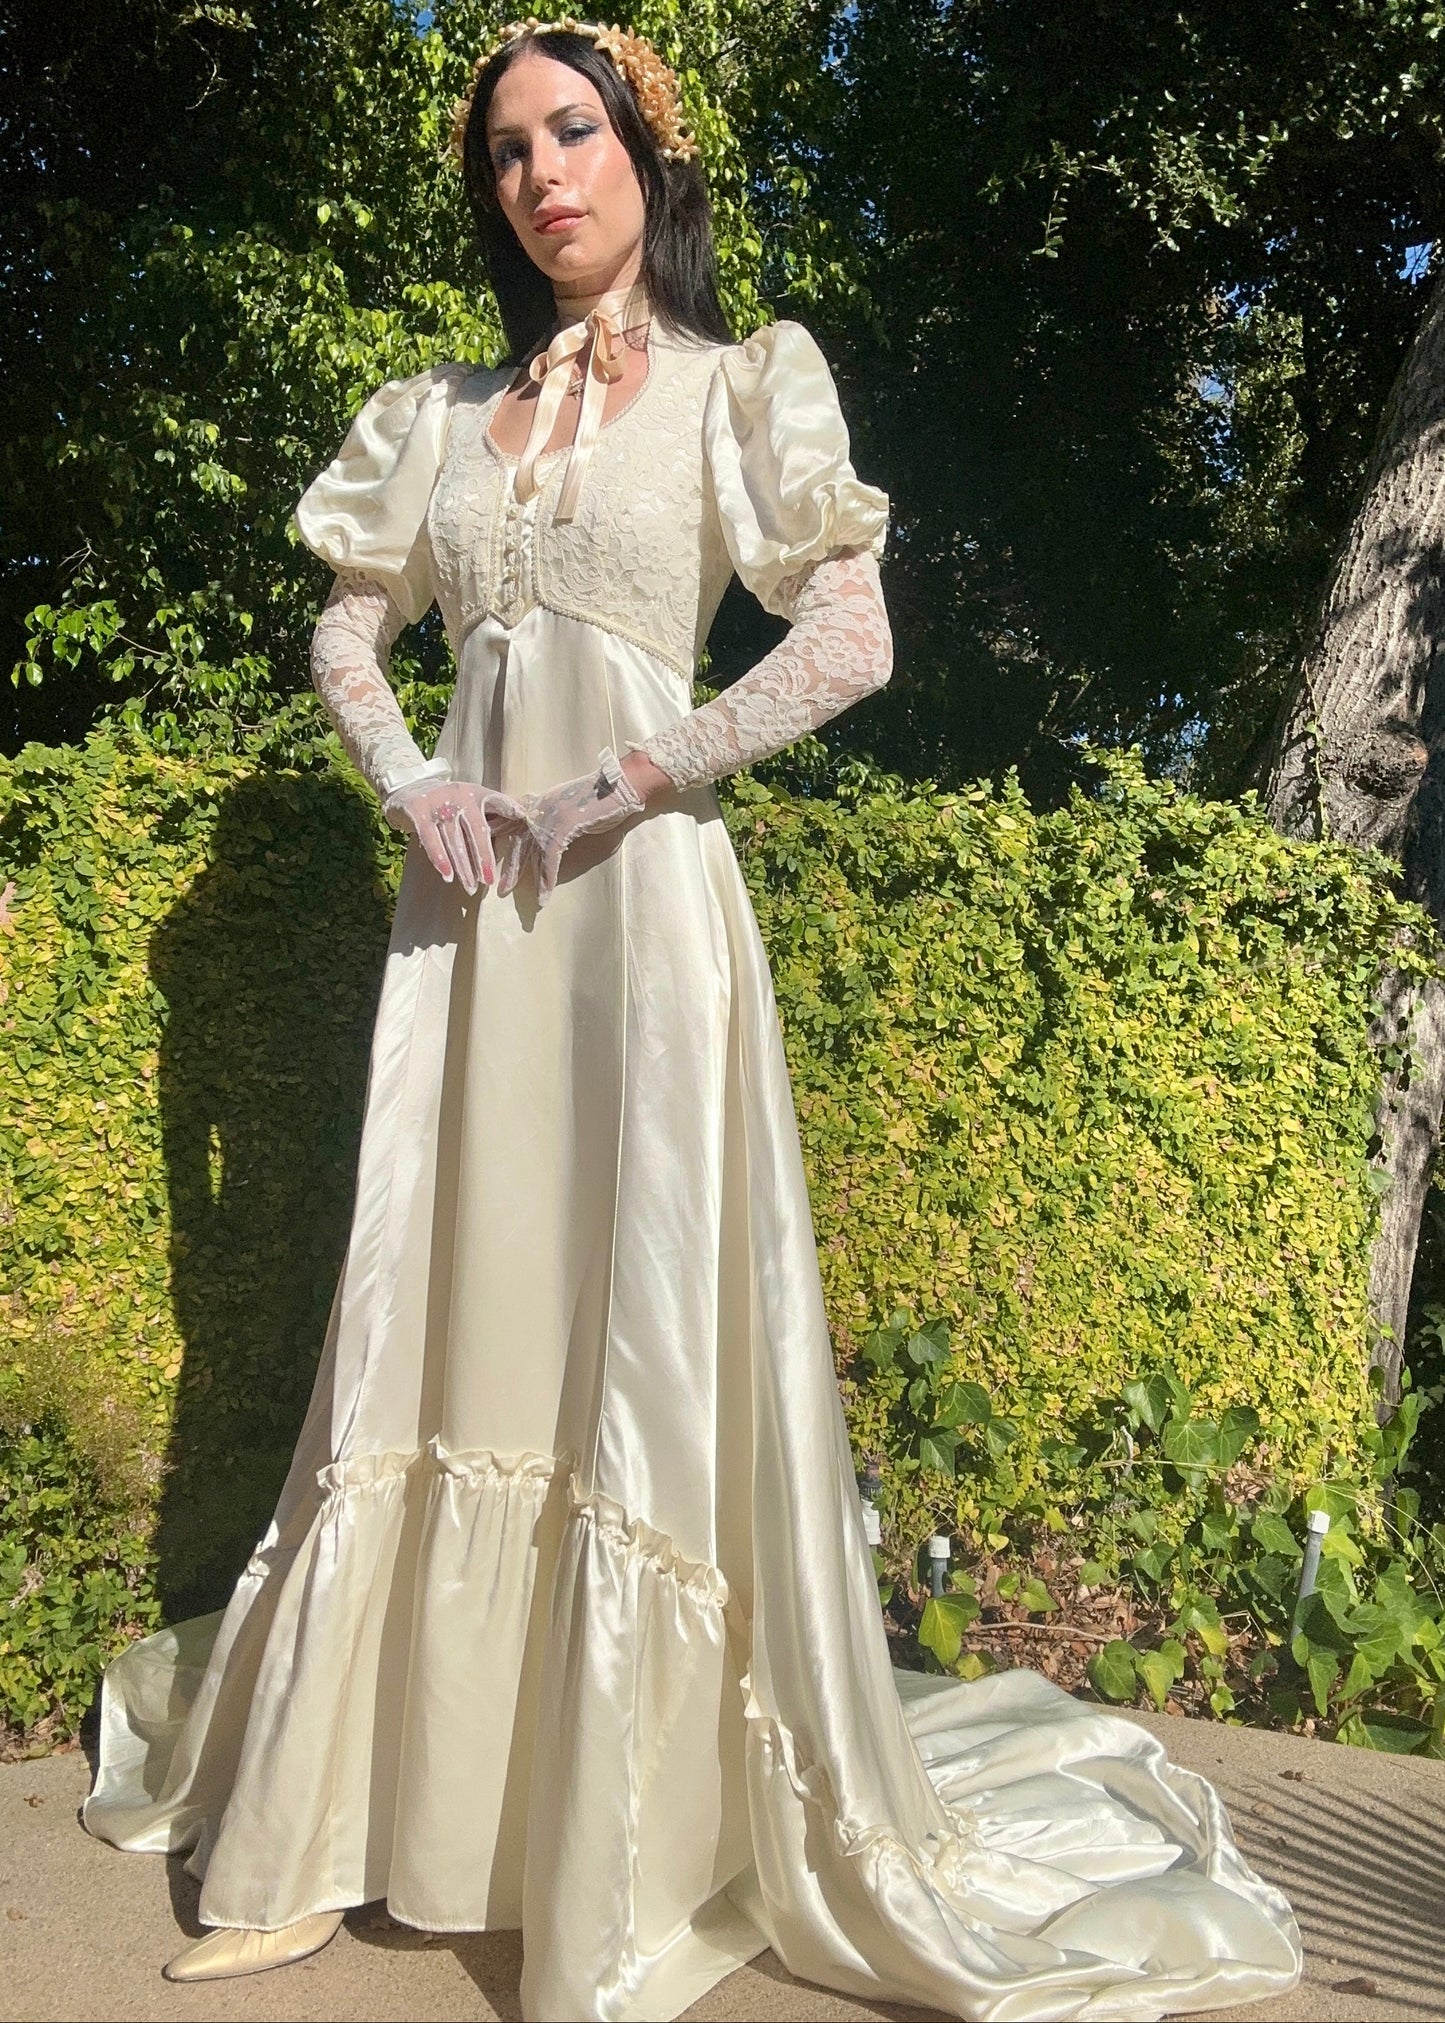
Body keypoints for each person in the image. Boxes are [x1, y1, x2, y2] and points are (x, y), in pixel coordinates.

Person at [82, 19, 1303, 2021]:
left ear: (648, 146)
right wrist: (419, 788)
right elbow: (340, 627)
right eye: (503, 152)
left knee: (625, 1329)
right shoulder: (433, 414)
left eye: (575, 130)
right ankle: (338, 1814)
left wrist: (628, 786)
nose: (543, 172)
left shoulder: (753, 388)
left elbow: (852, 627)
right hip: (468, 931)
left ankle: (620, 1839)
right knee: (436, 1310)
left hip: (642, 912)